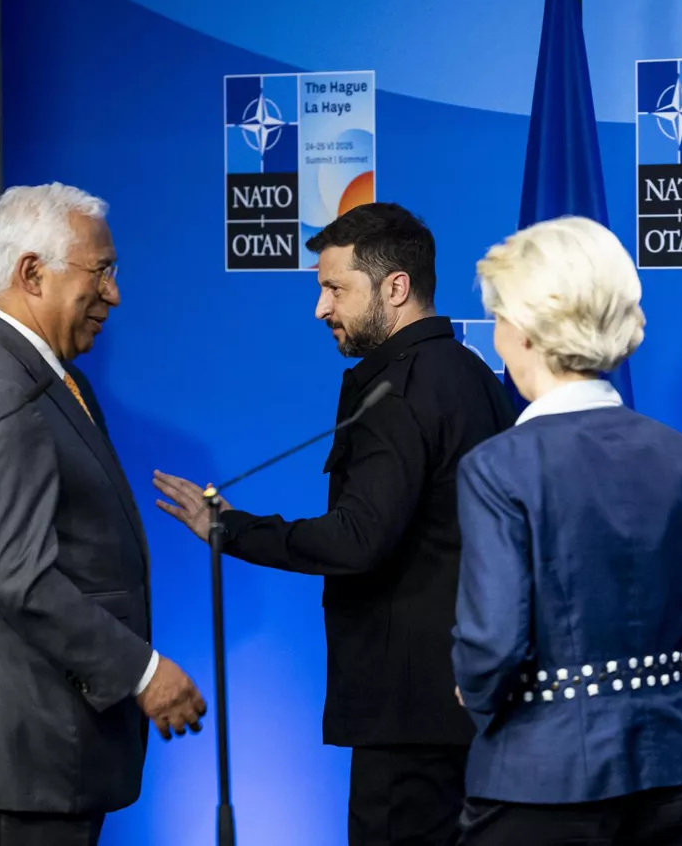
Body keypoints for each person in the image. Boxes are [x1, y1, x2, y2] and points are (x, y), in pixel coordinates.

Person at [152, 202, 517, 845]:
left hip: (406, 725)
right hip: (471, 706)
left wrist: (230, 529)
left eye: (334, 289)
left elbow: (357, 540)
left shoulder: (399, 392)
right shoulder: (472, 375)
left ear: (395, 288)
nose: (321, 309)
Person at [0, 182, 207, 845]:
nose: (115, 294)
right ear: (32, 274)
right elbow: (17, 577)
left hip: (42, 744)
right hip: (23, 745)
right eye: (101, 272)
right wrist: (143, 671)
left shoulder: (33, 373)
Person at [450, 216, 682, 846]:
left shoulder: (499, 466)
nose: (498, 333)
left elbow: (493, 643)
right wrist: (651, 697)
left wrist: (476, 692)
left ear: (525, 331)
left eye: (500, 316)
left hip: (537, 782)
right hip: (674, 774)